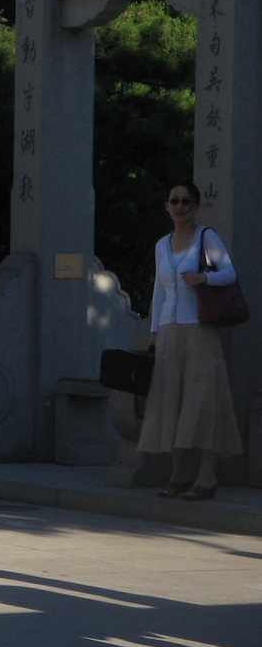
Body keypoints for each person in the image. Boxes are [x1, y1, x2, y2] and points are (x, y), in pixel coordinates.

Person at [138, 181, 243, 500]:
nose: (180, 206)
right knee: (170, 402)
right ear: (166, 206)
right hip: (170, 330)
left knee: (202, 402)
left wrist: (204, 277)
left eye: (186, 201)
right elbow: (159, 291)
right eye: (174, 201)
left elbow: (230, 273)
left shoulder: (205, 237)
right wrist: (154, 330)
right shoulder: (161, 245)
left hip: (199, 328)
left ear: (195, 206)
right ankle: (179, 473)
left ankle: (206, 476)